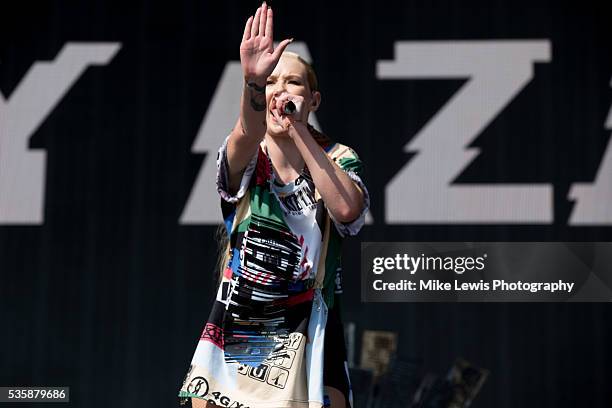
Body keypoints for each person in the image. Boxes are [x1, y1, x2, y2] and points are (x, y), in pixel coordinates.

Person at [178, 2, 369, 407]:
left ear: (312, 99)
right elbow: (246, 133)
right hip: (244, 328)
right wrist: (251, 82)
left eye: (293, 83)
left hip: (309, 330)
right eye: (272, 83)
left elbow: (348, 210)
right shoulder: (249, 155)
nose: (281, 90)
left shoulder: (338, 157)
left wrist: (300, 130)